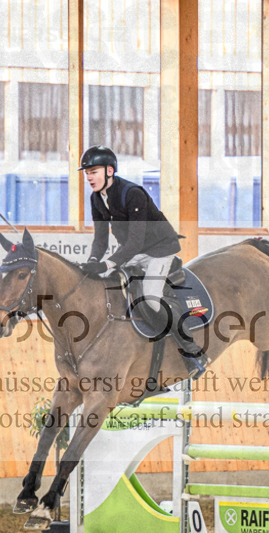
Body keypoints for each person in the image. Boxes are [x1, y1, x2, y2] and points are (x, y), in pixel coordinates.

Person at [77, 145, 207, 378]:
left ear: (109, 171)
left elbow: (135, 241)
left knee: (151, 299)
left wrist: (108, 264)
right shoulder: (96, 198)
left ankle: (193, 351)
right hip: (135, 252)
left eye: (93, 171)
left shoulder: (132, 193)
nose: (89, 177)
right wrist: (93, 261)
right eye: (86, 172)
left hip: (159, 250)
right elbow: (100, 240)